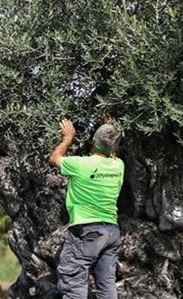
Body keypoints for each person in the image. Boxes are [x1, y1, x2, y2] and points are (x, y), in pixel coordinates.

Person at [48, 118, 124, 299]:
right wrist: (111, 129)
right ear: (114, 148)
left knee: (73, 281)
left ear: (93, 142)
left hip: (87, 231)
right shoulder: (118, 165)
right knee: (106, 284)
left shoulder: (81, 165)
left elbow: (54, 158)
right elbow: (112, 149)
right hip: (111, 232)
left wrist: (68, 138)